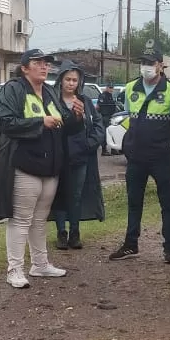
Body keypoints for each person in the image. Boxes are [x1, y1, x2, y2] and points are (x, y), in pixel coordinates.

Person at [0, 49, 83, 288]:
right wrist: (40, 122)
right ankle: (14, 269)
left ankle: (40, 264)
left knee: (40, 219)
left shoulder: (50, 92)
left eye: (46, 64)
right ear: (24, 68)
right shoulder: (13, 89)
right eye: (37, 63)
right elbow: (7, 123)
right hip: (25, 165)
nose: (44, 67)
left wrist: (77, 117)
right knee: (21, 219)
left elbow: (65, 126)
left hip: (50, 167)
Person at [109, 42, 170, 264]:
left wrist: (159, 138)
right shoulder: (131, 88)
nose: (146, 67)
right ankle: (130, 244)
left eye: (150, 63)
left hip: (160, 156)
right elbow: (131, 116)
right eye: (142, 62)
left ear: (160, 65)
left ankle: (169, 248)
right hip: (136, 157)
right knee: (134, 202)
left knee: (167, 204)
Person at [53, 61, 106, 249]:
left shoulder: (86, 102)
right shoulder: (52, 101)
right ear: (61, 80)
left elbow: (99, 127)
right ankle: (61, 233)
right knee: (59, 194)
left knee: (76, 195)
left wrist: (88, 144)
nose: (71, 83)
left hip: (80, 157)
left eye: (74, 80)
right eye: (67, 79)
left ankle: (75, 233)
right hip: (57, 158)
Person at [97, 84, 119, 155]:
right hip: (105, 117)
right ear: (106, 88)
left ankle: (113, 149)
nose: (111, 89)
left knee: (113, 132)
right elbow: (99, 107)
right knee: (105, 133)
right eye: (110, 88)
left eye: (112, 88)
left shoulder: (110, 96)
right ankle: (104, 150)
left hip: (111, 116)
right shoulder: (103, 96)